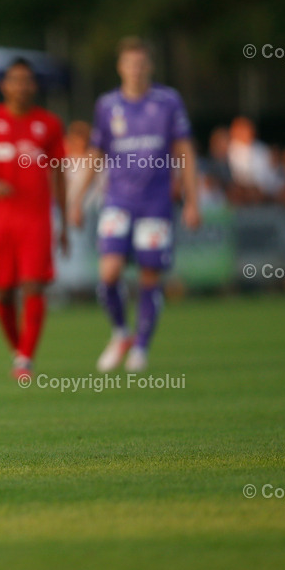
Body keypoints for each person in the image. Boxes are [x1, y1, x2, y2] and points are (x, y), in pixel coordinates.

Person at [70, 37, 200, 373]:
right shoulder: (108, 104)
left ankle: (141, 347)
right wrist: (77, 200)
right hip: (118, 200)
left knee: (148, 275)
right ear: (120, 67)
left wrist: (192, 200)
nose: (136, 70)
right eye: (130, 64)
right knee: (108, 273)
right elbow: (96, 154)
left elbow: (184, 152)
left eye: (142, 64)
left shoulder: (168, 101)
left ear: (150, 67)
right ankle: (120, 333)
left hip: (156, 203)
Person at [0, 59, 67, 380]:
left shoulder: (49, 124)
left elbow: (59, 175)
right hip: (2, 219)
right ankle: (17, 350)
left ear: (34, 86)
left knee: (34, 286)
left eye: (27, 80)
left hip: (36, 219)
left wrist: (63, 220)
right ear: (5, 85)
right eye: (15, 80)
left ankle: (25, 358)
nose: (21, 86)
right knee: (2, 292)